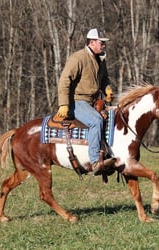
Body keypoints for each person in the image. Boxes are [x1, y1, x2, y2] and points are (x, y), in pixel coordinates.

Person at [56, 28, 116, 174]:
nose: (104, 45)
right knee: (96, 121)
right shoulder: (78, 58)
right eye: (101, 43)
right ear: (91, 42)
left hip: (93, 102)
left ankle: (107, 153)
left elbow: (105, 79)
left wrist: (107, 89)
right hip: (77, 101)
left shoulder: (100, 59)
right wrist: (63, 104)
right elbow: (64, 80)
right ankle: (95, 161)